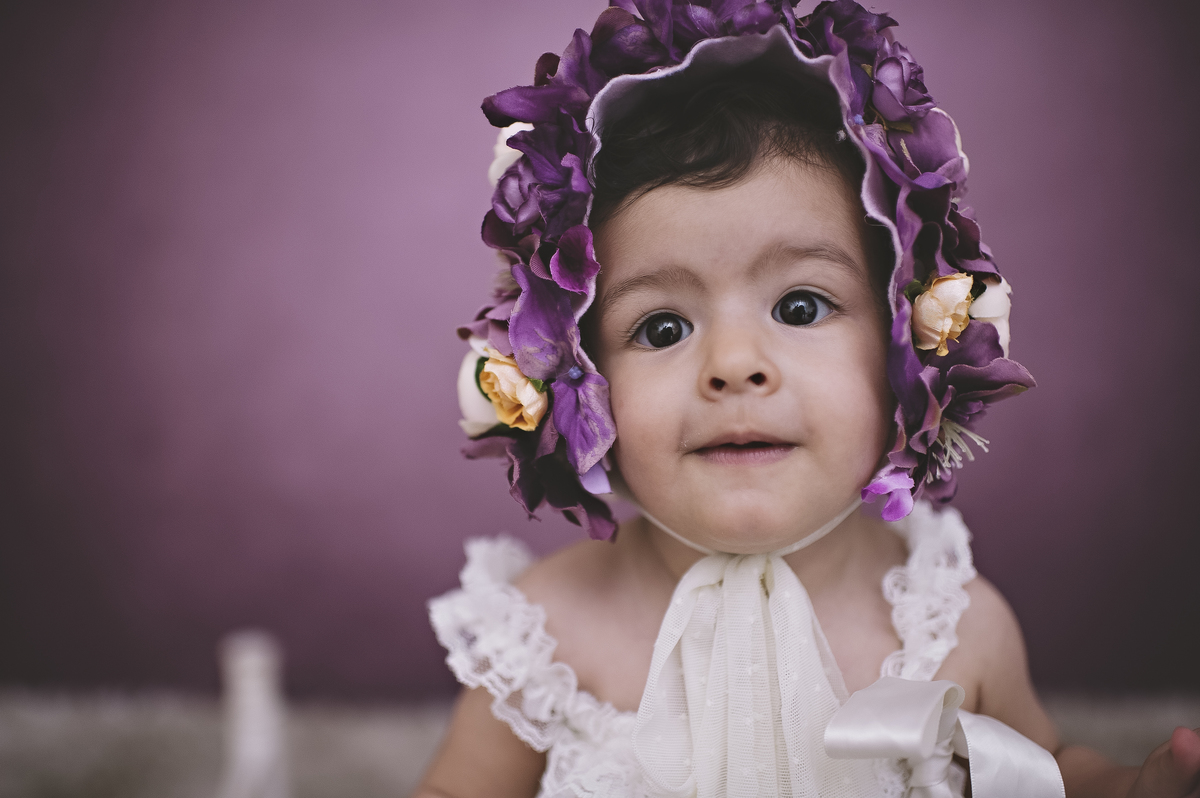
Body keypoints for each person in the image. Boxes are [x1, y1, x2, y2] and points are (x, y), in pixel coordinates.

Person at [416, 3, 1200, 796]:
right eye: (661, 327)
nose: (734, 366)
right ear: (572, 377)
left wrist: (1127, 788)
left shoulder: (948, 621)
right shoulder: (546, 632)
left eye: (799, 307)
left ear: (907, 348)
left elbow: (1042, 771)